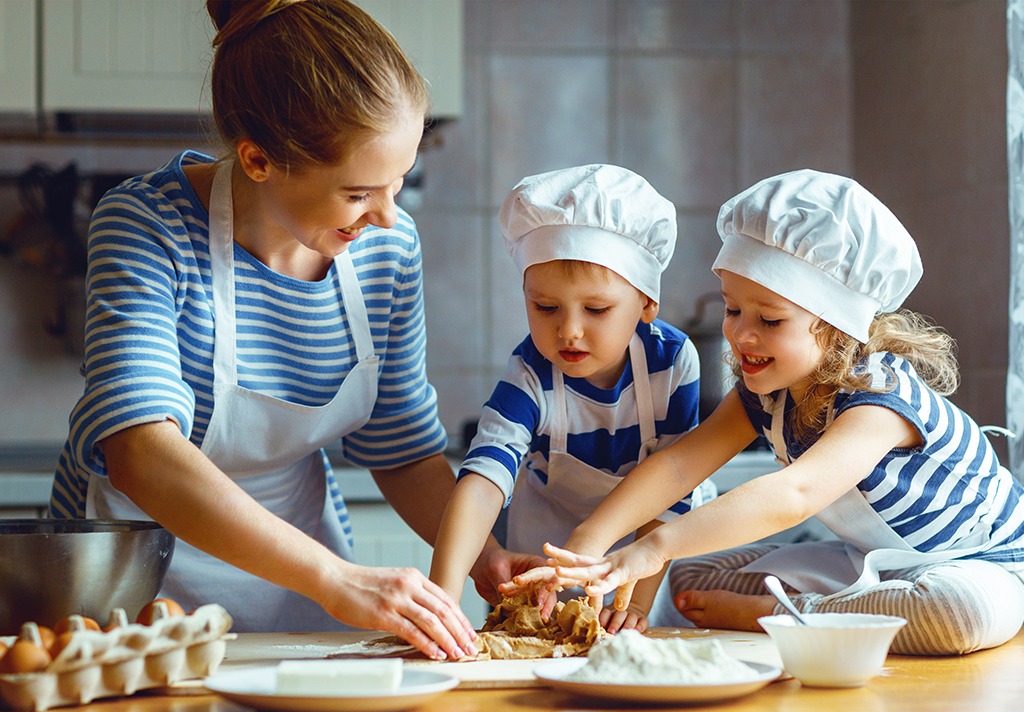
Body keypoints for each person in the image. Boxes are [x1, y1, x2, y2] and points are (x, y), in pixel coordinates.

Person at [47, 0, 480, 660]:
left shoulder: (386, 249)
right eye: (359, 193)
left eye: (400, 182)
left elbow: (401, 447)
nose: (387, 216)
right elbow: (140, 452)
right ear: (257, 160)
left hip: (301, 589)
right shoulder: (145, 226)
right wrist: (337, 580)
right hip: (132, 588)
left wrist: (491, 558)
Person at [518, 169, 1024, 655]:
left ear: (836, 326)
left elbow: (794, 494)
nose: (740, 334)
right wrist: (591, 540)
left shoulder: (882, 399)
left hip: (986, 565)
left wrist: (653, 548)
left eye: (770, 319)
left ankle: (789, 612)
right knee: (690, 577)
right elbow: (678, 464)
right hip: (873, 565)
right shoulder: (768, 393)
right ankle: (826, 610)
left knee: (956, 614)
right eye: (733, 309)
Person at [430, 164, 714, 633]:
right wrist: (442, 600)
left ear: (646, 303)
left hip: (643, 555)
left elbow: (672, 489)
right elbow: (481, 482)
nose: (568, 330)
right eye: (544, 307)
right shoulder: (530, 373)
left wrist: (634, 606)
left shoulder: (672, 361)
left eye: (597, 309)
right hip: (543, 552)